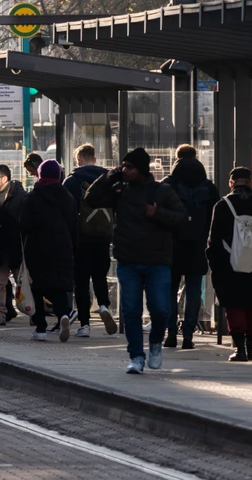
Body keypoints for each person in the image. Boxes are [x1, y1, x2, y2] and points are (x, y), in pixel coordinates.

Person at [86, 147, 188, 374]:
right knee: (131, 311)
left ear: (141, 169)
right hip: (128, 261)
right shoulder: (120, 190)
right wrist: (107, 177)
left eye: (129, 167)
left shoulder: (162, 191)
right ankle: (136, 356)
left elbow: (181, 217)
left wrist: (158, 213)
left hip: (157, 261)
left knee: (160, 310)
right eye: (123, 166)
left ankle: (154, 344)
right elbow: (91, 199)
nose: (125, 170)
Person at [206, 167, 252, 362]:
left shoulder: (222, 206)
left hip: (229, 266)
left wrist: (215, 265)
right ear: (250, 183)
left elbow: (213, 240)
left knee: (234, 304)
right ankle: (251, 347)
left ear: (231, 183)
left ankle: (239, 348)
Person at [160, 144, 218, 349]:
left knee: (169, 290)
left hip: (172, 246)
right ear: (196, 157)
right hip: (198, 247)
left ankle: (170, 334)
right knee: (194, 291)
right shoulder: (209, 187)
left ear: (177, 158)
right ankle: (188, 336)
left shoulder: (168, 184)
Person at [62, 143, 118, 338]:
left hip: (80, 238)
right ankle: (103, 305)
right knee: (100, 275)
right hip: (103, 236)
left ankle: (84, 325)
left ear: (78, 160)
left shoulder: (72, 181)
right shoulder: (108, 179)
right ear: (94, 158)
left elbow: (65, 211)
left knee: (81, 281)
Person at [19, 160, 78, 342]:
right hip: (63, 247)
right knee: (59, 286)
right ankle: (63, 315)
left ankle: (40, 328)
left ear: (40, 175)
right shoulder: (68, 197)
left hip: (37, 248)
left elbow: (23, 224)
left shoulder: (33, 196)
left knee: (36, 287)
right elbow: (73, 225)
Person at [0, 164, 25, 326]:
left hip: (15, 246)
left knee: (22, 281)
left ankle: (34, 312)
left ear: (5, 178)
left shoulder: (20, 196)